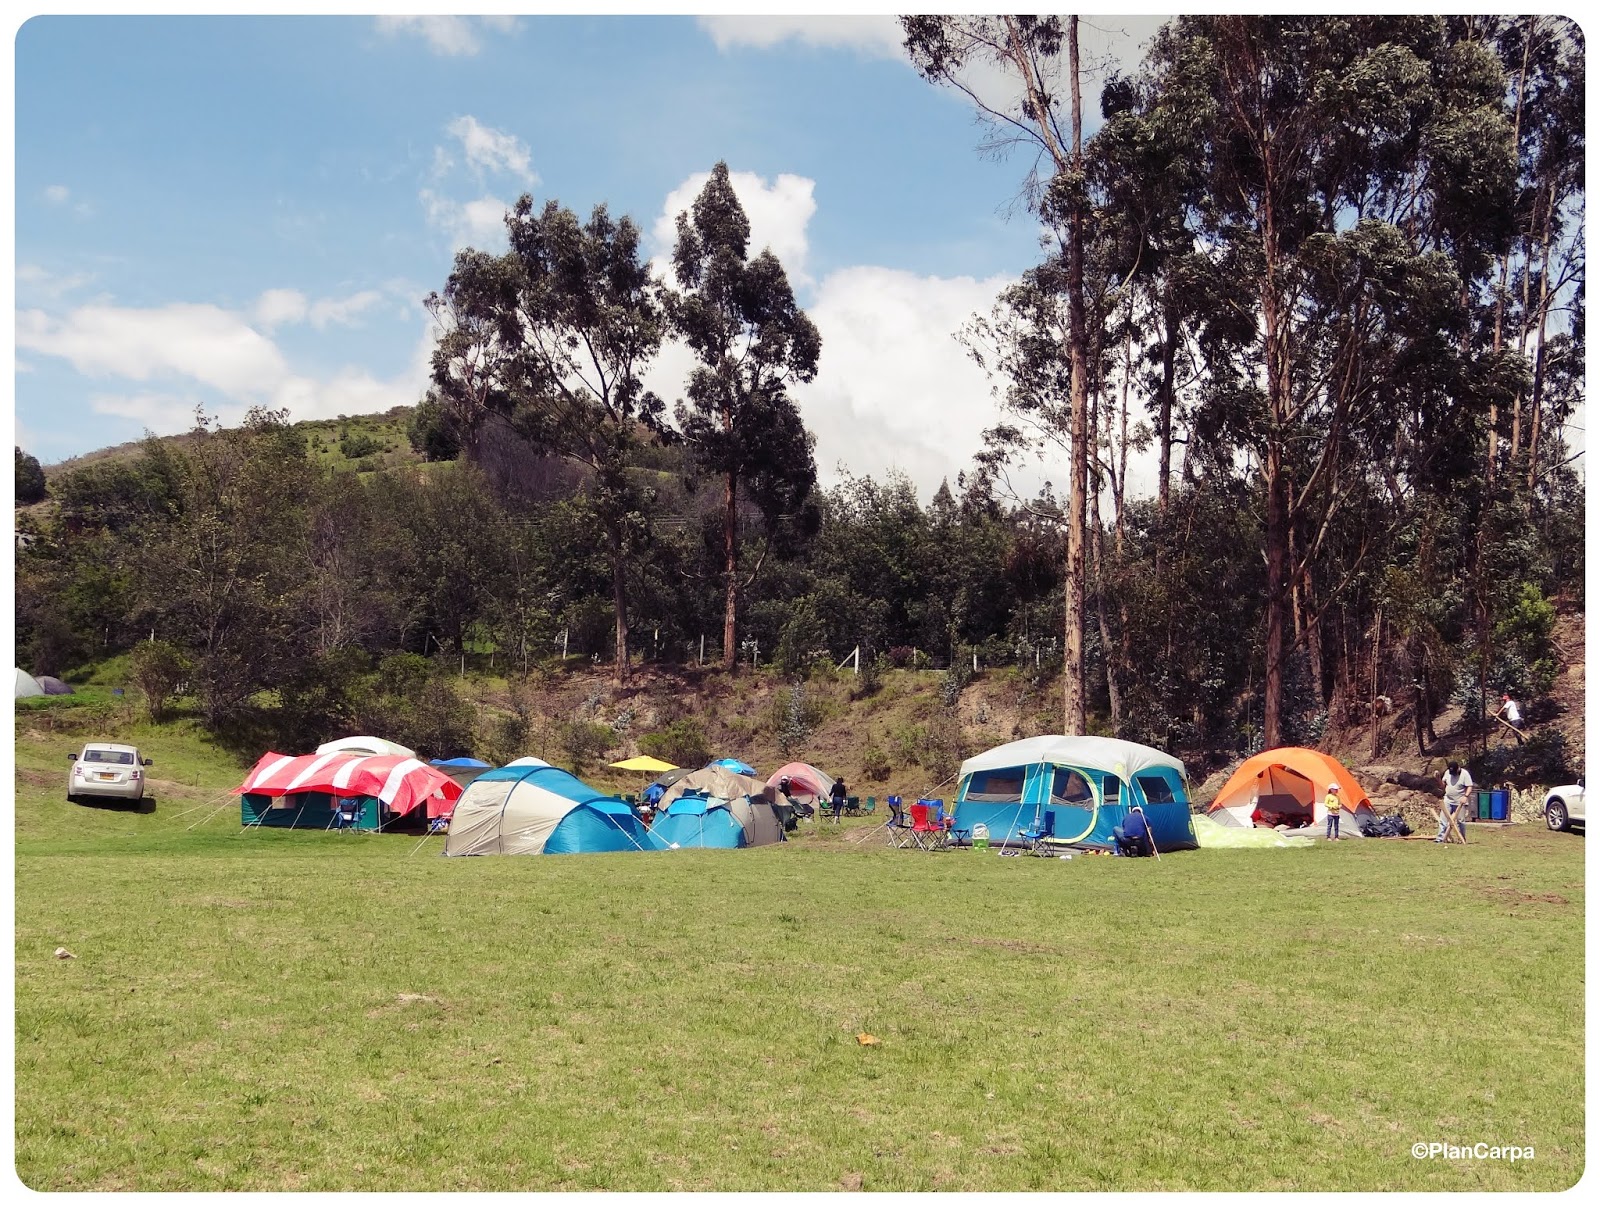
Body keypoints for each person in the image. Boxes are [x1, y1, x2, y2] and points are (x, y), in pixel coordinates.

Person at [1437, 759, 1473, 843]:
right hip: (1448, 800)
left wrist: (1465, 796)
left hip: (1460, 801)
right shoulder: (1447, 772)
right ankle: (1440, 838)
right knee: (1443, 819)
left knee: (1461, 821)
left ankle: (1461, 838)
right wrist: (1438, 779)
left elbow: (1469, 786)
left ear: (1458, 768)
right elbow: (1442, 786)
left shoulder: (1465, 774)